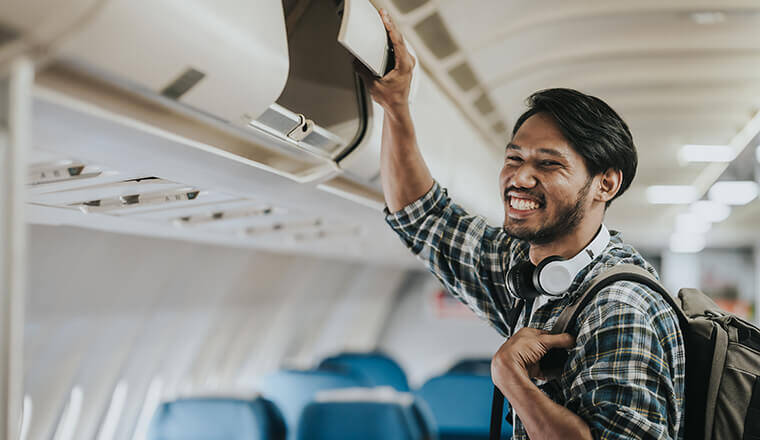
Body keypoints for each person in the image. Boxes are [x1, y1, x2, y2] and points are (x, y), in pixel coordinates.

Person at [355, 9, 686, 440]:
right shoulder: (527, 270)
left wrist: (511, 379)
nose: (520, 179)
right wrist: (396, 105)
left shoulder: (620, 308)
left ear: (605, 183)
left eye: (548, 164)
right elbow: (423, 217)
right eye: (514, 159)